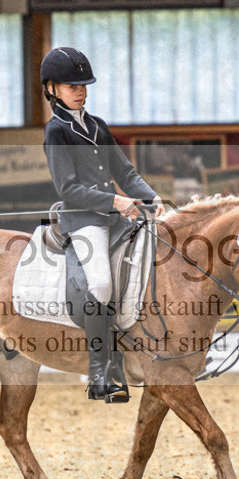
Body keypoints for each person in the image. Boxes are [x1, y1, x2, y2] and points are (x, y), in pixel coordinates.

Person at [40, 46, 165, 403]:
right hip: (84, 220)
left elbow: (125, 173)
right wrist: (116, 202)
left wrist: (153, 198)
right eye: (71, 86)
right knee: (101, 283)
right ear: (52, 89)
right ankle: (100, 372)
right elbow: (68, 189)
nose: (80, 92)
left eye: (83, 86)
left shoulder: (97, 126)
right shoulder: (56, 131)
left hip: (115, 218)